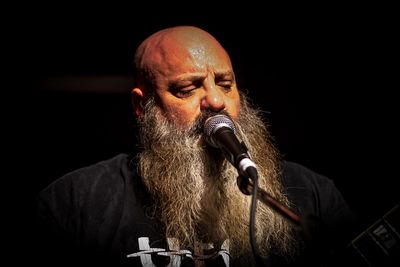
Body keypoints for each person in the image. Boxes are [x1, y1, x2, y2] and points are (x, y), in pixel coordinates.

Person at [30, 26, 355, 267]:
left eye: (226, 85)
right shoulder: (74, 203)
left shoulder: (312, 194)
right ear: (143, 107)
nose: (215, 100)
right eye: (187, 88)